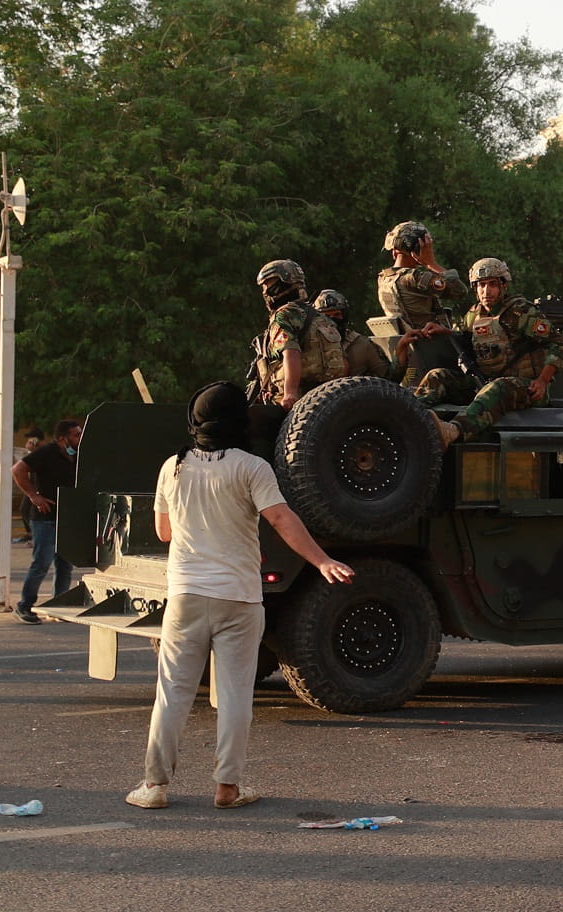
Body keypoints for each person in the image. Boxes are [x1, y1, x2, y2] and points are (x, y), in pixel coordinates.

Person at [124, 383, 355, 810]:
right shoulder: (252, 467)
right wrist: (322, 561)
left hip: (187, 595)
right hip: (240, 598)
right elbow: (281, 518)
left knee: (173, 692)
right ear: (238, 422)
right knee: (233, 694)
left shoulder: (172, 468)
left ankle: (154, 786)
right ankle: (227, 787)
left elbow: (163, 532)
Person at [412, 258, 563, 447]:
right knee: (437, 376)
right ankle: (406, 416)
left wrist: (542, 381)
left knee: (497, 388)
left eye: (492, 285)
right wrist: (443, 331)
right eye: (481, 285)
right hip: (485, 382)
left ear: (503, 285)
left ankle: (452, 431)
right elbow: (465, 337)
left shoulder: (520, 312)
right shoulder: (474, 314)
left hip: (525, 388)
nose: (486, 291)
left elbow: (557, 343)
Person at [9, 420, 81, 623]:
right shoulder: (47, 453)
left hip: (66, 518)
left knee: (65, 565)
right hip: (45, 518)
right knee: (41, 562)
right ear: (62, 438)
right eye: (75, 435)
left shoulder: (76, 456)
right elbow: (18, 470)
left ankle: (59, 606)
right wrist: (34, 496)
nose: (79, 438)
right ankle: (25, 605)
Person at [251, 260, 347, 409]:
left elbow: (291, 352)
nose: (265, 291)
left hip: (298, 400)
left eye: (268, 285)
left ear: (283, 283)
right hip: (330, 395)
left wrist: (290, 393)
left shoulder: (283, 316)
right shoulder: (319, 316)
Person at [375, 221, 465, 334]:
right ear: (417, 248)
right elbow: (459, 290)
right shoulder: (415, 278)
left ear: (394, 252)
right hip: (431, 344)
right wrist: (431, 264)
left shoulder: (384, 278)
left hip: (407, 344)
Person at [311, 288, 395, 381]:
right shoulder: (309, 345)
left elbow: (389, 378)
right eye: (326, 316)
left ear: (345, 315)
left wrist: (400, 359)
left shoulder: (363, 345)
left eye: (337, 314)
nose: (332, 321)